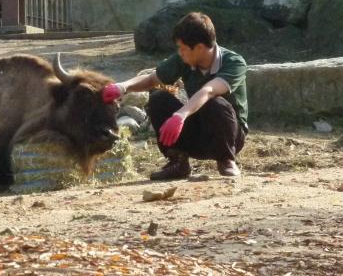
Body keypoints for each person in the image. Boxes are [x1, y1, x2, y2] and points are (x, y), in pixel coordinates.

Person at [103, 12, 248, 179]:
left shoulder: (234, 63)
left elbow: (208, 91)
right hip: (197, 132)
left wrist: (180, 115)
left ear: (199, 47)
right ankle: (178, 162)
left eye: (183, 48)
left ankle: (226, 160)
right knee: (159, 98)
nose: (180, 52)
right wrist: (123, 87)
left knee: (214, 103)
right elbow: (152, 79)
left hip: (230, 136)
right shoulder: (185, 59)